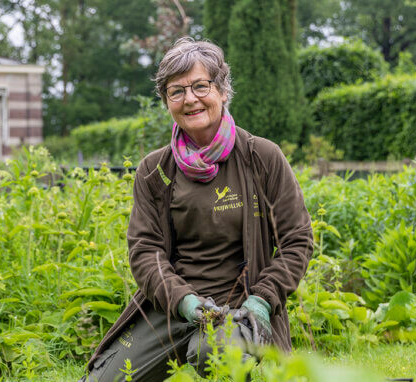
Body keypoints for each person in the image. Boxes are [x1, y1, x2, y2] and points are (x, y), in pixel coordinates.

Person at [81, 37, 313, 382]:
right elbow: (145, 252)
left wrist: (263, 300)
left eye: (200, 86)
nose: (190, 99)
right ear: (167, 101)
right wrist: (184, 302)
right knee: (102, 380)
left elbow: (298, 241)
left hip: (241, 306)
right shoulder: (154, 170)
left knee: (215, 354)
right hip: (175, 305)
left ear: (221, 90)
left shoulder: (260, 157)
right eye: (176, 91)